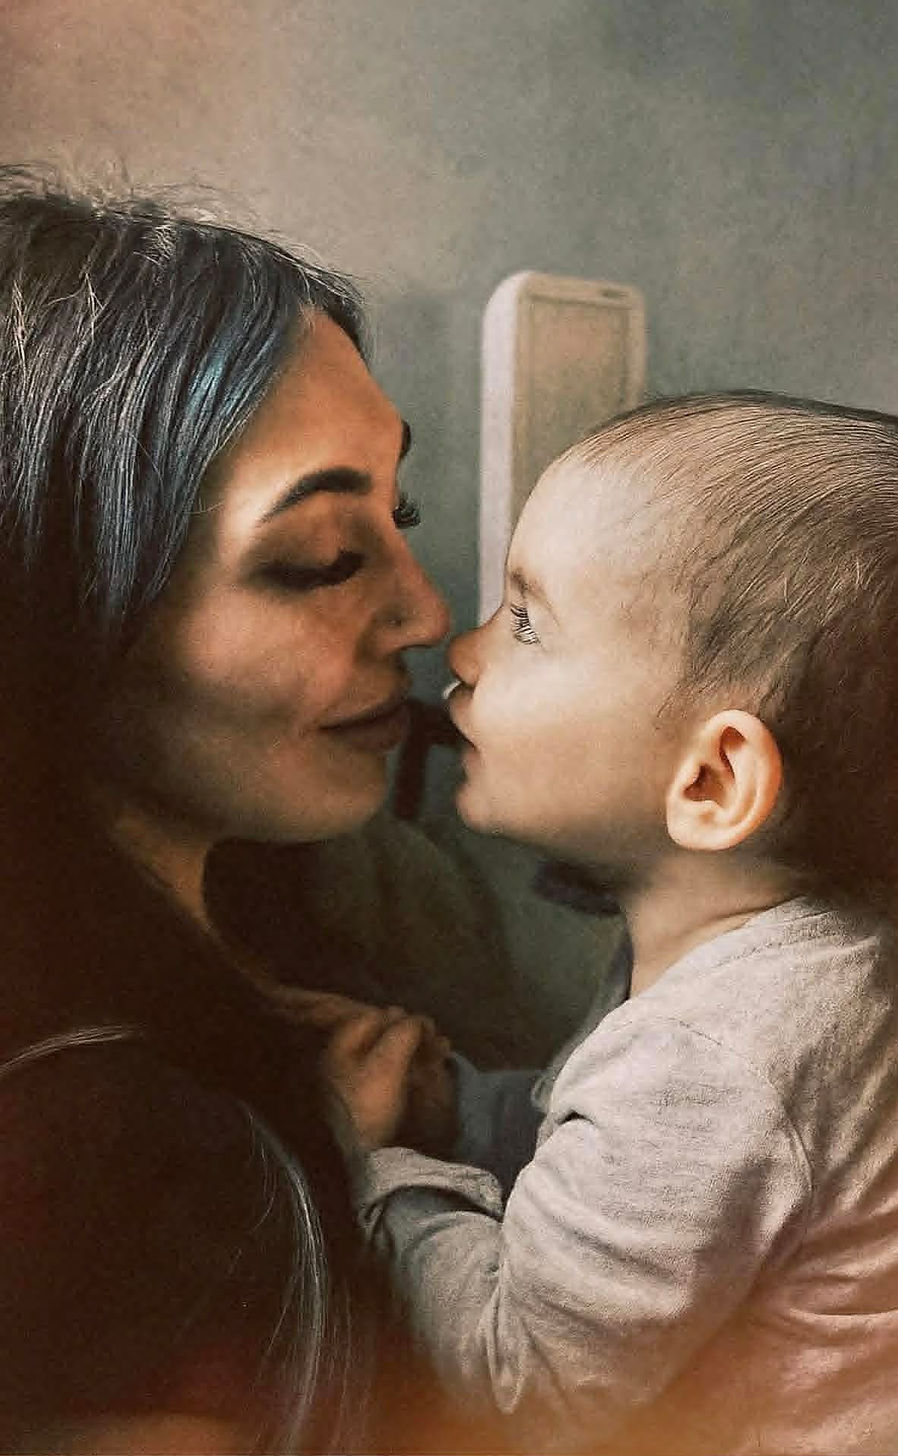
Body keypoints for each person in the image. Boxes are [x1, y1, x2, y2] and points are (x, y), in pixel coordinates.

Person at [333, 392, 898, 1455]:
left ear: (714, 777)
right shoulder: (822, 952)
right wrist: (462, 1111)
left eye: (526, 619)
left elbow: (515, 1387)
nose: (460, 644)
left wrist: (376, 1162)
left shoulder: (716, 1053)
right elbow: (632, 1167)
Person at [0, 167, 475, 1452]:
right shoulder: (94, 1159)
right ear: (53, 608)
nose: (430, 615)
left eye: (402, 515)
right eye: (322, 556)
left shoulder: (339, 912)